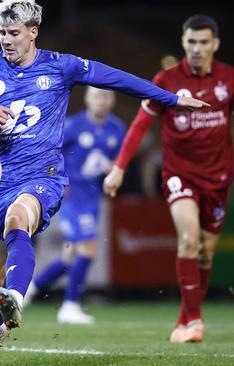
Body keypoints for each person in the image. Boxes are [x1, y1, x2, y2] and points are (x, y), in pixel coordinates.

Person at [0, 1, 208, 365]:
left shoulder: (61, 66)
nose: (6, 40)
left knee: (19, 220)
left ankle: (17, 297)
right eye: (2, 32)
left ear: (33, 32)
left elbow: (116, 78)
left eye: (14, 33)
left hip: (43, 175)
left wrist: (171, 99)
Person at [103, 14, 234, 344]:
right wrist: (119, 167)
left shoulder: (229, 79)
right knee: (189, 240)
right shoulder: (167, 79)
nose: (197, 49)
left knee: (205, 252)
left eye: (204, 42)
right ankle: (195, 321)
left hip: (218, 177)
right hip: (180, 175)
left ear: (215, 45)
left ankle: (184, 319)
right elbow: (139, 124)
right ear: (183, 43)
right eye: (191, 42)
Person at [24, 87, 126, 324]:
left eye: (107, 95)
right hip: (71, 195)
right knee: (88, 248)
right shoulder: (73, 125)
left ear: (113, 100)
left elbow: (119, 161)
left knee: (71, 256)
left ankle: (30, 289)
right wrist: (56, 180)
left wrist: (115, 169)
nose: (102, 100)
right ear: (87, 99)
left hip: (92, 196)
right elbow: (50, 152)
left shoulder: (117, 129)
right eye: (97, 95)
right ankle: (70, 305)